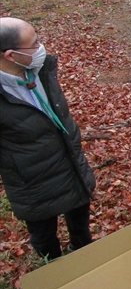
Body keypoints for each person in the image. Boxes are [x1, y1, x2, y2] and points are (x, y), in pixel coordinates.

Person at [0, 18, 96, 260]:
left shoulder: (41, 68)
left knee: (81, 227)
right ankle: (55, 273)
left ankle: (85, 258)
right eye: (35, 43)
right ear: (10, 55)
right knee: (44, 239)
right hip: (34, 184)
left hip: (71, 167)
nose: (41, 47)